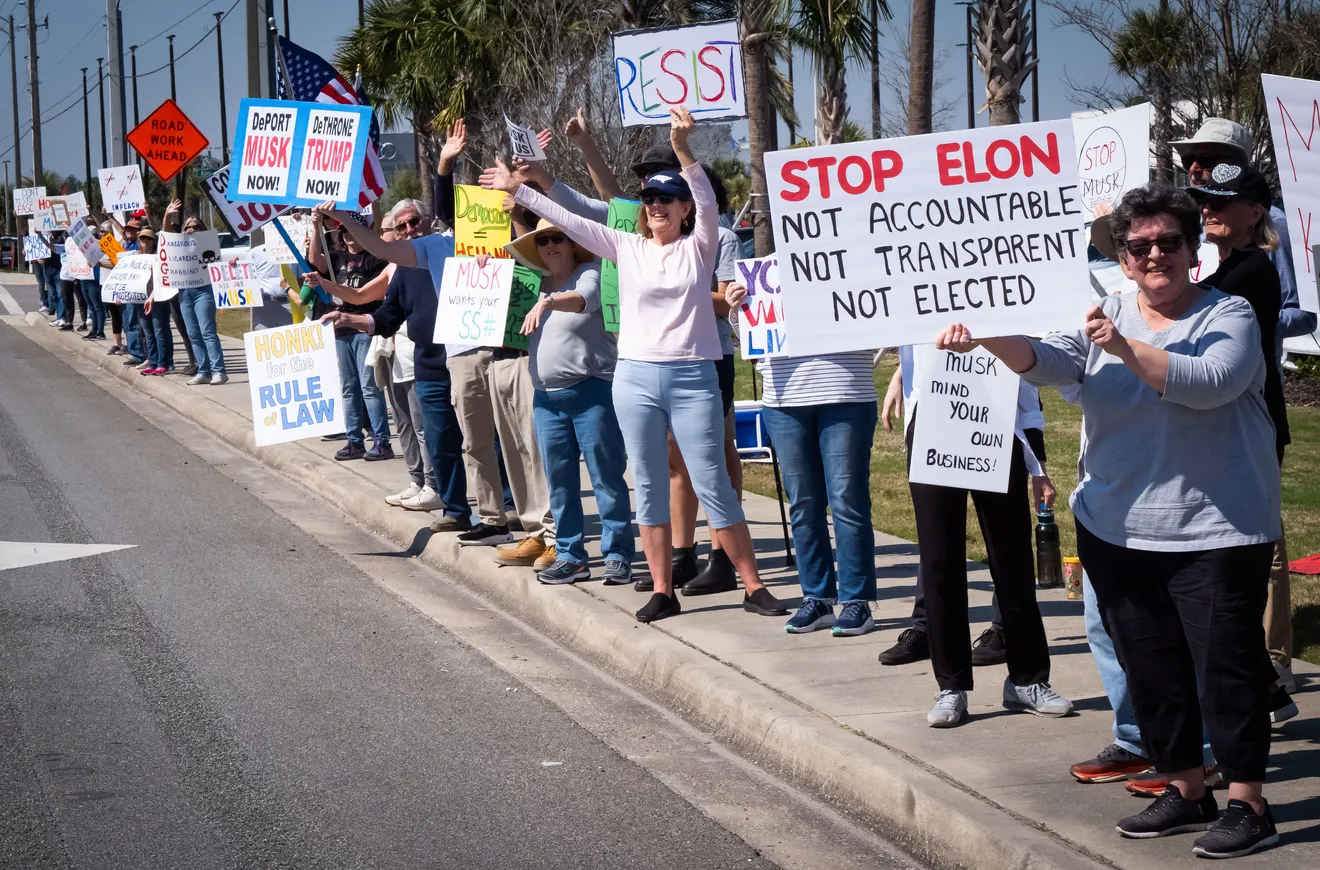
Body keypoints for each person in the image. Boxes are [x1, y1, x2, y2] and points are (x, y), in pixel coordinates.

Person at [948, 183, 1282, 858]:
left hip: (1216, 531)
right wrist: (983, 332)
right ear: (1124, 258)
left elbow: (1210, 383)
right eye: (1140, 245)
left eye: (1169, 242)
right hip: (1118, 529)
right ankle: (1188, 787)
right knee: (1150, 667)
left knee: (1227, 668)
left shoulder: (1231, 314)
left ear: (1194, 252)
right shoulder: (1103, 311)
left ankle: (1250, 801)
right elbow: (1043, 363)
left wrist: (1126, 347)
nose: (1155, 254)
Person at [483, 107, 787, 623]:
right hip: (635, 378)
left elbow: (709, 202)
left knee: (711, 479)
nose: (655, 206)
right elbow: (572, 219)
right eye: (649, 199)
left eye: (665, 198)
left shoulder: (700, 244)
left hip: (693, 377)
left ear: (684, 209)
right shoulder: (625, 246)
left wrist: (683, 147)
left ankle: (753, 586)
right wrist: (522, 192)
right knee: (646, 481)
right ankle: (663, 589)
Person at [1175, 118, 1311, 701]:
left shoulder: (1253, 263)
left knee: (1255, 546)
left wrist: (1231, 321)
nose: (1203, 193)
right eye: (1200, 190)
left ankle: (1265, 668)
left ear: (1254, 208)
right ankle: (1253, 670)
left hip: (1253, 413)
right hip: (1223, 414)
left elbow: (1294, 312)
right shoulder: (1214, 258)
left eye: (1220, 198)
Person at [726, 277, 880, 635]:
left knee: (847, 501)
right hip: (784, 400)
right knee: (803, 503)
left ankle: (857, 600)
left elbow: (881, 318)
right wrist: (739, 312)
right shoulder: (768, 273)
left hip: (846, 392)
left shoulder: (849, 259)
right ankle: (817, 598)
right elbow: (751, 339)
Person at [316, 198, 470, 533]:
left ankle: (505, 506)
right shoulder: (402, 270)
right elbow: (387, 316)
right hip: (428, 365)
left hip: (467, 361)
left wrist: (444, 165)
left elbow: (454, 210)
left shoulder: (455, 250)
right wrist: (349, 318)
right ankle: (456, 510)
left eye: (414, 222)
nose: (410, 229)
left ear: (426, 221)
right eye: (401, 226)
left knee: (483, 441)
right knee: (440, 442)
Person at [506, 217, 635, 585]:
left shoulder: (589, 273)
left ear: (572, 242)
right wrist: (486, 271)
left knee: (606, 477)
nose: (550, 245)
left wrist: (548, 302)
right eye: (543, 240)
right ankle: (570, 555)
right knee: (559, 482)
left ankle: (617, 554)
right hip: (546, 398)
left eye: (557, 238)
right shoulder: (531, 283)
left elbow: (585, 300)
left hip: (590, 390)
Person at [307, 208, 393, 462]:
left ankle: (381, 440)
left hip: (364, 326)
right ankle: (354, 440)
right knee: (348, 387)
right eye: (344, 231)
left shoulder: (375, 258)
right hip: (340, 328)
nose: (348, 236)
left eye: (353, 231)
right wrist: (315, 227)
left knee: (369, 387)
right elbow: (315, 260)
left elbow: (378, 293)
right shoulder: (337, 257)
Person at [165, 204, 229, 385]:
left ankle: (219, 371)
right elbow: (167, 235)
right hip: (184, 293)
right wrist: (167, 216)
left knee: (207, 332)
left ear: (203, 230)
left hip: (204, 292)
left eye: (196, 227)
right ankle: (204, 371)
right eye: (188, 227)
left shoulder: (208, 245)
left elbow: (219, 266)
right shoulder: (178, 245)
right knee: (193, 334)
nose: (191, 229)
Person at [137, 228, 174, 376]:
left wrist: (153, 295)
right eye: (142, 238)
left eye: (148, 238)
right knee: (148, 332)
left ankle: (164, 363)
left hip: (158, 298)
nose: (144, 241)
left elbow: (162, 280)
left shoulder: (159, 257)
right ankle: (152, 361)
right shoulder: (136, 257)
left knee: (160, 330)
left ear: (154, 241)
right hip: (139, 298)